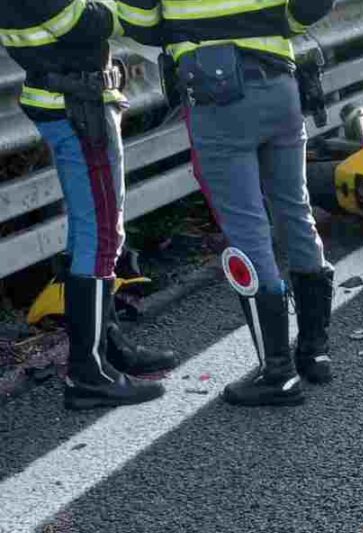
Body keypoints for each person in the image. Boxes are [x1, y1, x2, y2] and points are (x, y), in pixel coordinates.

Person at [120, 0, 337, 407]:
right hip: (279, 84)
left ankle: (277, 372)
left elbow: (139, 24)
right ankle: (314, 351)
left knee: (247, 229)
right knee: (295, 210)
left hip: (217, 96)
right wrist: (275, 22)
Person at [0, 1, 179, 410]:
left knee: (94, 231)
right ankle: (89, 372)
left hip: (75, 98)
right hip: (75, 104)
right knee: (99, 234)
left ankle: (106, 347)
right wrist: (123, 8)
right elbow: (82, 21)